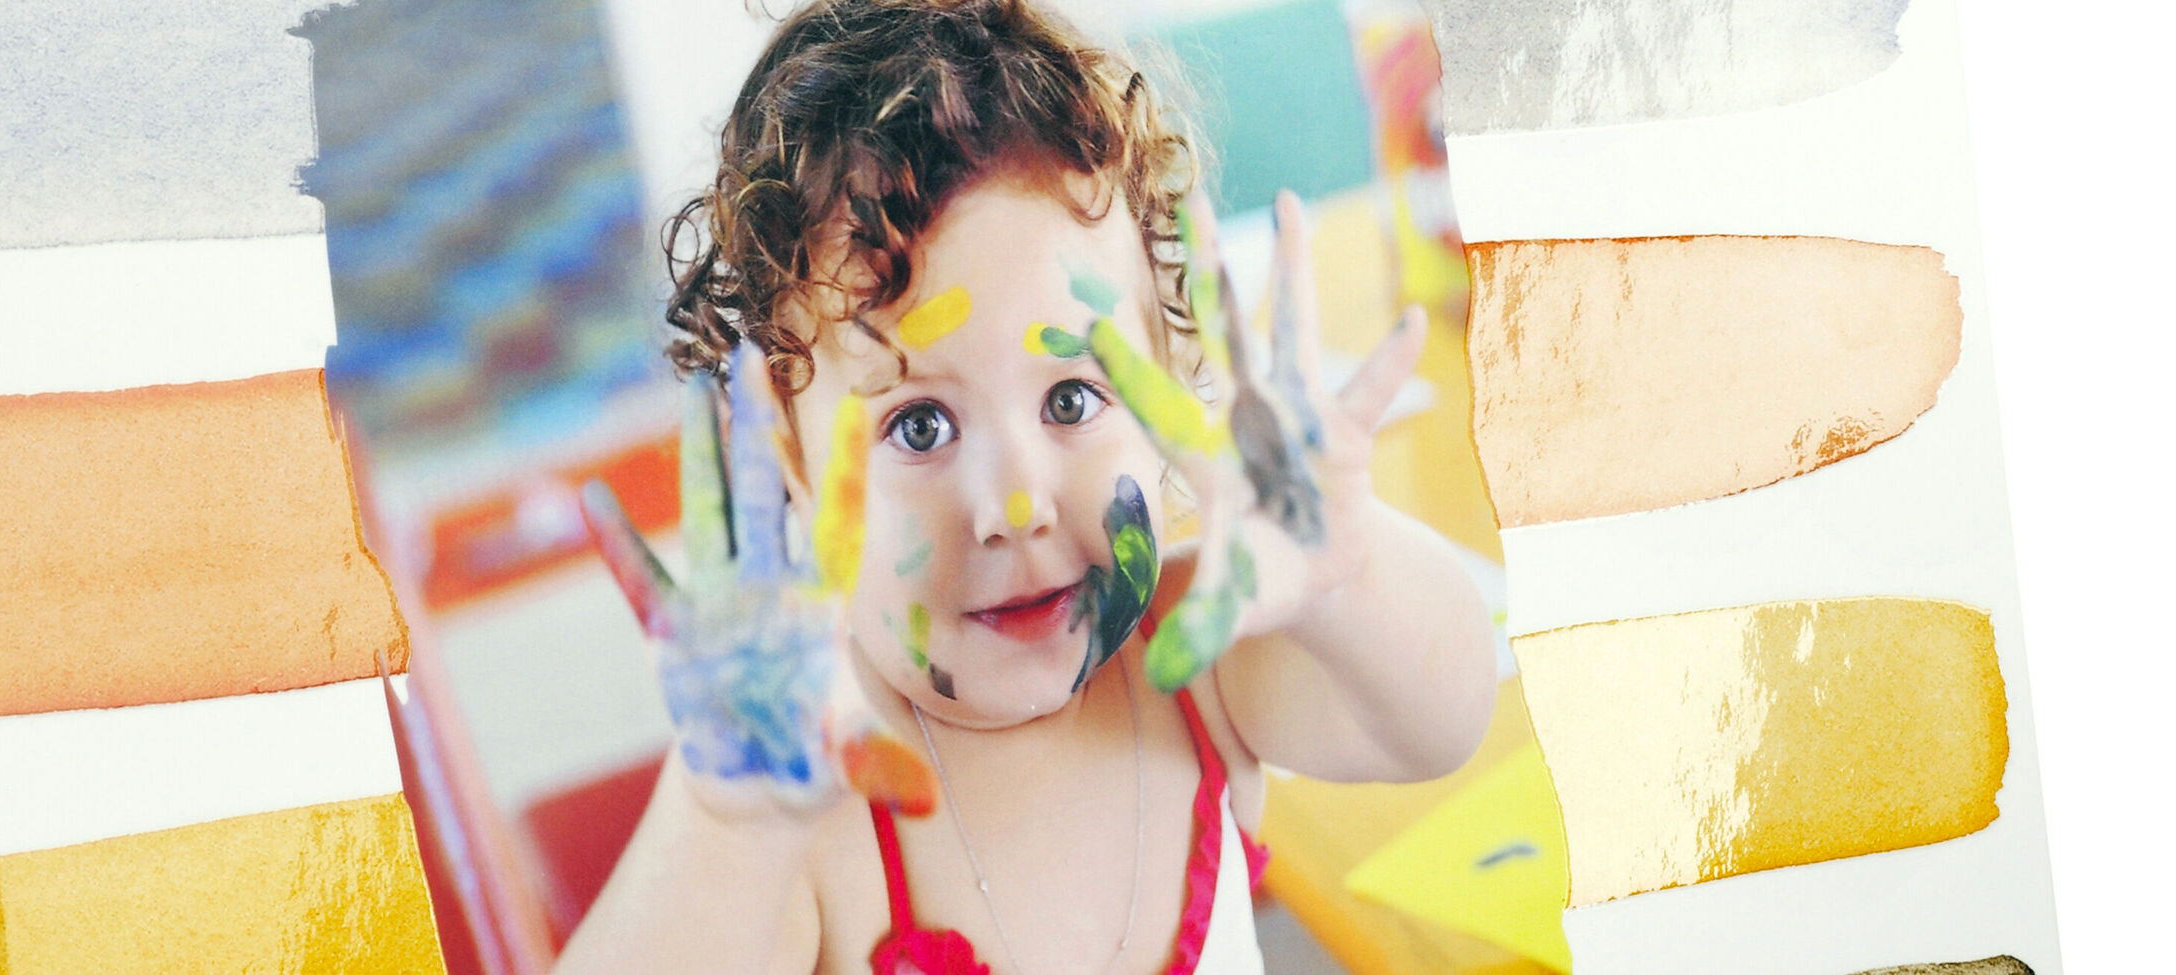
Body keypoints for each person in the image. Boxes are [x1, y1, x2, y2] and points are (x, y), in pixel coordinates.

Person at [558, 2, 1496, 972]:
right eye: (919, 425)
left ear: (1168, 389)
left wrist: (1346, 572)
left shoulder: (1199, 666)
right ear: (789, 467)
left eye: (1071, 399)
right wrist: (726, 823)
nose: (1015, 505)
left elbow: (1443, 720)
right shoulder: (814, 810)